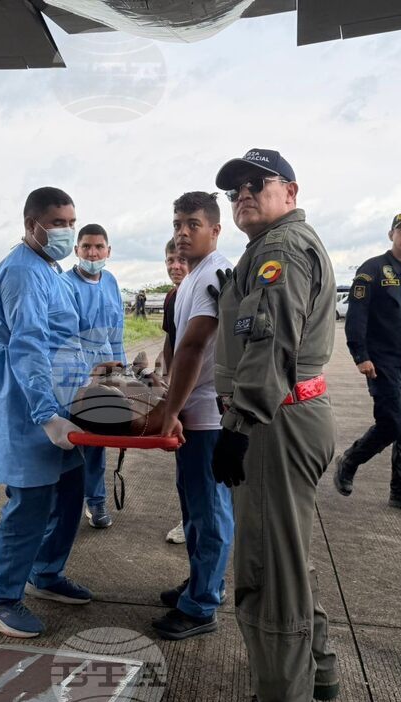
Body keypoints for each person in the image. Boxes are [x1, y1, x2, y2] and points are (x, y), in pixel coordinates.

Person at [206, 148, 338, 702]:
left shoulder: (281, 250)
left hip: (274, 421)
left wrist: (239, 425)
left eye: (256, 185)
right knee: (290, 550)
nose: (243, 196)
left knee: (267, 563)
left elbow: (269, 344)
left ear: (290, 189)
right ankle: (316, 666)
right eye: (234, 191)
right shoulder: (272, 247)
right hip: (293, 413)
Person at [0, 187, 91, 639]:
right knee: (31, 500)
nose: (66, 231)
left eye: (70, 222)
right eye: (58, 223)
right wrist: (46, 413)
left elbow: (64, 335)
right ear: (31, 225)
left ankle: (45, 572)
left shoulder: (51, 269)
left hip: (58, 398)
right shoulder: (23, 272)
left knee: (69, 489)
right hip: (27, 403)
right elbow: (29, 346)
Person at [153, 191, 233, 641]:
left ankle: (202, 604)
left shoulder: (210, 277)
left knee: (209, 510)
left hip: (207, 415)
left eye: (193, 224)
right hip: (197, 410)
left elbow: (193, 348)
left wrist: (170, 408)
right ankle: (202, 583)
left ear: (215, 230)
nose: (182, 232)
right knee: (195, 507)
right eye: (178, 223)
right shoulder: (193, 278)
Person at [336, 210, 401, 516]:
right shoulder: (372, 270)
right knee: (392, 423)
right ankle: (350, 460)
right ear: (391, 234)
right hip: (382, 362)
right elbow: (357, 315)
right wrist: (360, 355)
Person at [62, 224, 125, 529]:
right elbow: (63, 337)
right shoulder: (64, 284)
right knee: (69, 441)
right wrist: (81, 376)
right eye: (86, 246)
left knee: (97, 441)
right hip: (70, 374)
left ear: (108, 251)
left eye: (99, 247)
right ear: (77, 250)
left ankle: (96, 501)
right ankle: (64, 508)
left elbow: (117, 334)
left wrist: (122, 374)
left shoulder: (111, 282)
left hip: (105, 374)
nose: (92, 252)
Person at [162, 239, 190, 545]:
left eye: (181, 261)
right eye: (170, 260)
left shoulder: (204, 291)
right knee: (186, 466)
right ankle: (189, 518)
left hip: (205, 395)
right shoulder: (172, 297)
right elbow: (170, 345)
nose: (175, 267)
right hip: (181, 392)